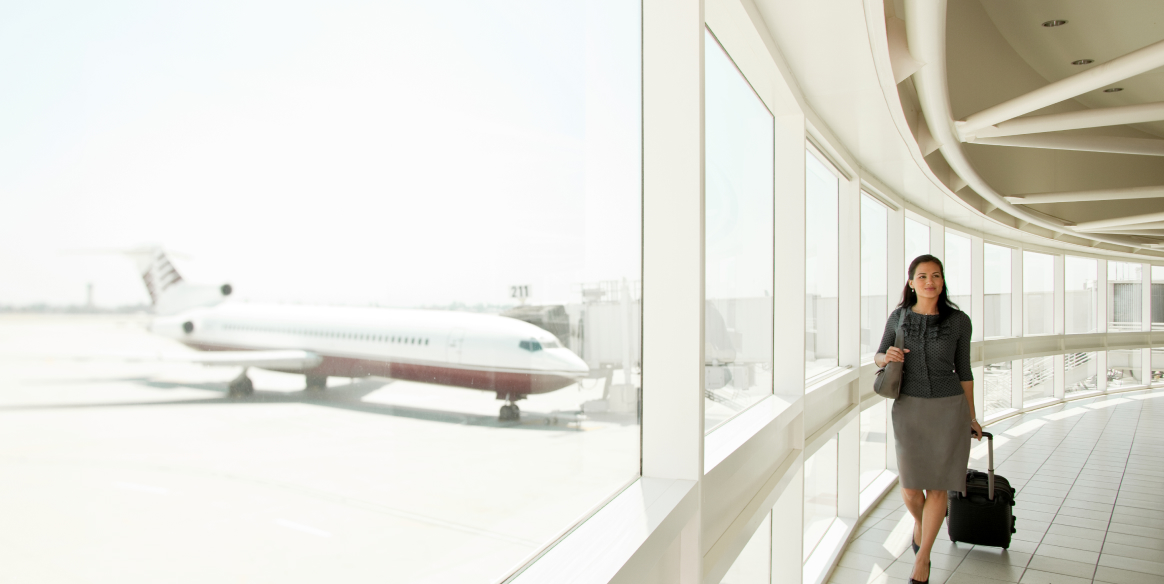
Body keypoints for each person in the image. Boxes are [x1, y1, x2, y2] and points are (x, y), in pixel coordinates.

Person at [875, 254, 982, 584]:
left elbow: (964, 371)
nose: (930, 281)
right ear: (911, 282)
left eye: (936, 275)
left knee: (938, 487)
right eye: (922, 276)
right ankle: (923, 524)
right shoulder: (899, 317)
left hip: (949, 408)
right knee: (910, 487)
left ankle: (923, 559)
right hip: (908, 408)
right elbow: (878, 355)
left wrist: (972, 417)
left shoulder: (959, 321)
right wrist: (887, 355)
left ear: (942, 281)